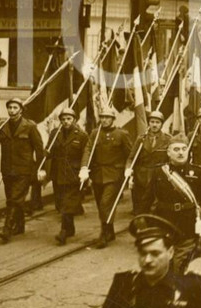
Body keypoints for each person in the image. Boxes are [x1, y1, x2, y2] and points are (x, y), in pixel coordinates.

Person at [140, 135, 201, 274]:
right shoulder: (159, 172)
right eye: (176, 149)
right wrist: (141, 221)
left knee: (179, 263)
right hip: (164, 222)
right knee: (164, 261)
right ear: (168, 152)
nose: (181, 152)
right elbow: (147, 199)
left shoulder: (198, 172)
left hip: (187, 224)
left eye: (184, 149)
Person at [0, 97, 44, 242]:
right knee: (13, 199)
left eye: (15, 107)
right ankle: (19, 226)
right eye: (10, 107)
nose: (12, 110)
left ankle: (7, 229)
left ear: (21, 109)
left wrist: (40, 168)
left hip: (24, 169)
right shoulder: (2, 126)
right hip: (7, 169)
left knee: (14, 200)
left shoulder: (30, 126)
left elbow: (39, 149)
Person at [80, 107, 134, 248]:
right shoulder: (94, 133)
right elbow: (88, 150)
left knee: (105, 203)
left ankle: (103, 234)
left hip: (114, 175)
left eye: (107, 118)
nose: (104, 120)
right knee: (101, 205)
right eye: (102, 117)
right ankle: (110, 230)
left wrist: (128, 169)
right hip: (98, 174)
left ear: (113, 119)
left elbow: (130, 153)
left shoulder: (121, 134)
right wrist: (84, 167)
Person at [40, 106, 88, 245]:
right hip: (58, 173)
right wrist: (42, 167)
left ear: (74, 120)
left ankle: (63, 232)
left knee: (68, 204)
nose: (66, 122)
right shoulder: (55, 133)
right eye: (63, 119)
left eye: (69, 119)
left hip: (73, 174)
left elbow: (86, 154)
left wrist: (85, 172)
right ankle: (70, 228)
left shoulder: (81, 135)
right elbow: (49, 152)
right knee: (61, 203)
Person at [131, 110, 171, 214]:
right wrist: (128, 170)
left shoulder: (168, 139)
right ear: (149, 123)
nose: (154, 125)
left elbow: (170, 159)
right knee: (141, 204)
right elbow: (132, 157)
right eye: (152, 122)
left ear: (162, 124)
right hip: (142, 177)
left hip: (159, 176)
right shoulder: (141, 139)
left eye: (157, 122)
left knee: (158, 204)